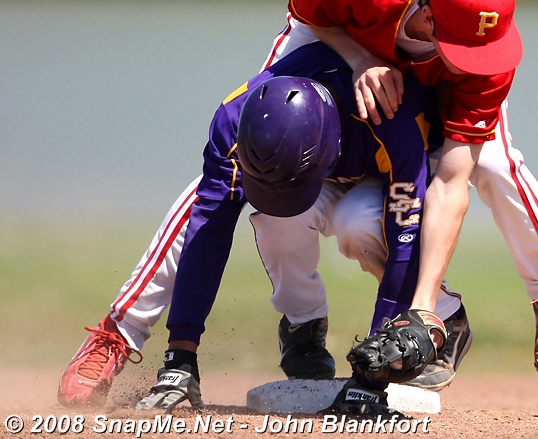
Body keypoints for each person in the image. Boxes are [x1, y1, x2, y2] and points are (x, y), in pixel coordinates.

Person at [58, 42, 466, 411]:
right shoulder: (234, 120)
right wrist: (180, 357)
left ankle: (444, 317)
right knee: (276, 216)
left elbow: (405, 240)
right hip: (329, 165)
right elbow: (209, 229)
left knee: (358, 222)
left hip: (383, 170)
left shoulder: (391, 117)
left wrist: (370, 380)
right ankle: (304, 328)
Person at [267, 0, 538, 383]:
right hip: (365, 31)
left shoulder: (485, 38)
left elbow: (451, 182)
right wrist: (360, 58)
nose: (475, 61)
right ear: (429, 16)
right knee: (326, 204)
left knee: (494, 164)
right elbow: (311, 14)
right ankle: (320, 323)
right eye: (463, 47)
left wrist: (421, 308)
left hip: (424, 69)